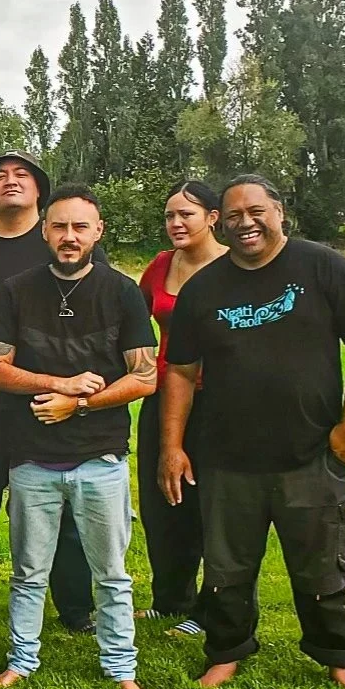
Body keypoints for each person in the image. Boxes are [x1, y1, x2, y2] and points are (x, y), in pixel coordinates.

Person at [161, 175, 345, 689]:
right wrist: (172, 445)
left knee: (323, 565)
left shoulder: (322, 266)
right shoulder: (203, 289)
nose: (246, 223)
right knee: (226, 567)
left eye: (256, 210)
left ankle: (339, 662)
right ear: (221, 223)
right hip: (226, 456)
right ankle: (226, 653)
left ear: (279, 212)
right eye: (234, 215)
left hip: (311, 452)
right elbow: (181, 371)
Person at [0, 184, 155, 689]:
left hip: (102, 457)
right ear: (44, 231)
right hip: (31, 458)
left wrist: (79, 403)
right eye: (59, 226)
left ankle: (122, 668)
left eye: (80, 226)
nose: (69, 236)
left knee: (112, 573)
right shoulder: (16, 290)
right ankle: (21, 661)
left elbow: (144, 376)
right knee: (28, 572)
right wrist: (60, 383)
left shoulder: (122, 291)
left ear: (98, 231)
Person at [0, 151, 97, 634]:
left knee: (62, 509)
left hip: (49, 402)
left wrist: (77, 391)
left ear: (39, 191)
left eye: (22, 174)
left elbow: (98, 306)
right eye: (0, 176)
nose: (10, 181)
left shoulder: (59, 242)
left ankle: (76, 608)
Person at [135, 180, 227, 637]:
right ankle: (170, 599)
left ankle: (212, 608)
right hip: (163, 395)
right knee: (162, 499)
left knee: (214, 502)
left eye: (186, 214)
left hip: (220, 398)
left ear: (212, 217)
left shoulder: (233, 266)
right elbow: (134, 322)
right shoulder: (160, 266)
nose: (175, 223)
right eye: (170, 215)